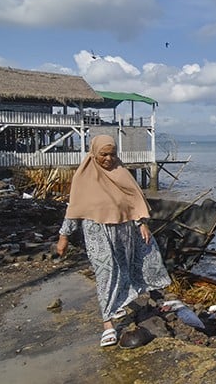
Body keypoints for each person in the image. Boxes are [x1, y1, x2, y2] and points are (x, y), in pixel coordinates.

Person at [57, 134, 171, 347]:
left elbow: (133, 200)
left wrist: (142, 223)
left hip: (124, 230)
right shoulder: (84, 176)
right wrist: (64, 236)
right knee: (106, 272)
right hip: (97, 231)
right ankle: (107, 324)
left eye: (112, 154)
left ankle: (119, 302)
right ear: (94, 152)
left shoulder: (121, 173)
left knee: (128, 268)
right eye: (104, 154)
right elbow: (74, 209)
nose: (109, 159)